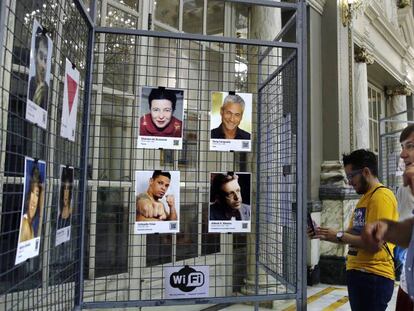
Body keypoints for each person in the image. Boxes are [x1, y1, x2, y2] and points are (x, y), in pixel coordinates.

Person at [310, 149, 398, 311]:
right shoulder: (365, 198)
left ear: (366, 172)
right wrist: (324, 234)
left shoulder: (381, 197)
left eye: (351, 176)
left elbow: (374, 242)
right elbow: (351, 234)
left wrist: (338, 234)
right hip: (359, 273)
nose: (349, 182)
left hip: (373, 276)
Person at [362, 124, 414, 309]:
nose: (402, 154)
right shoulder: (403, 189)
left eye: (410, 146)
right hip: (408, 281)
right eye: (402, 147)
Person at [19, 164, 44, 242]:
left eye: (37, 194)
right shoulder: (25, 225)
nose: (34, 200)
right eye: (32, 193)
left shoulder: (30, 225)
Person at [28, 26, 49, 109]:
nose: (43, 65)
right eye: (41, 57)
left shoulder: (46, 87)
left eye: (46, 59)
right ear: (35, 55)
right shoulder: (30, 82)